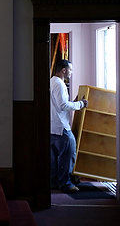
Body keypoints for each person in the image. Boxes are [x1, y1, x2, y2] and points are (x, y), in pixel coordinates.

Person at [50, 59, 88, 192]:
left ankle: (54, 182)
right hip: (61, 127)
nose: (71, 72)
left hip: (52, 126)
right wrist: (81, 104)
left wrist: (74, 102)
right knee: (69, 154)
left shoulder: (52, 81)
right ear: (64, 70)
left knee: (54, 158)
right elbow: (63, 105)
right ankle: (66, 184)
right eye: (70, 70)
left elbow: (59, 103)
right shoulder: (59, 84)